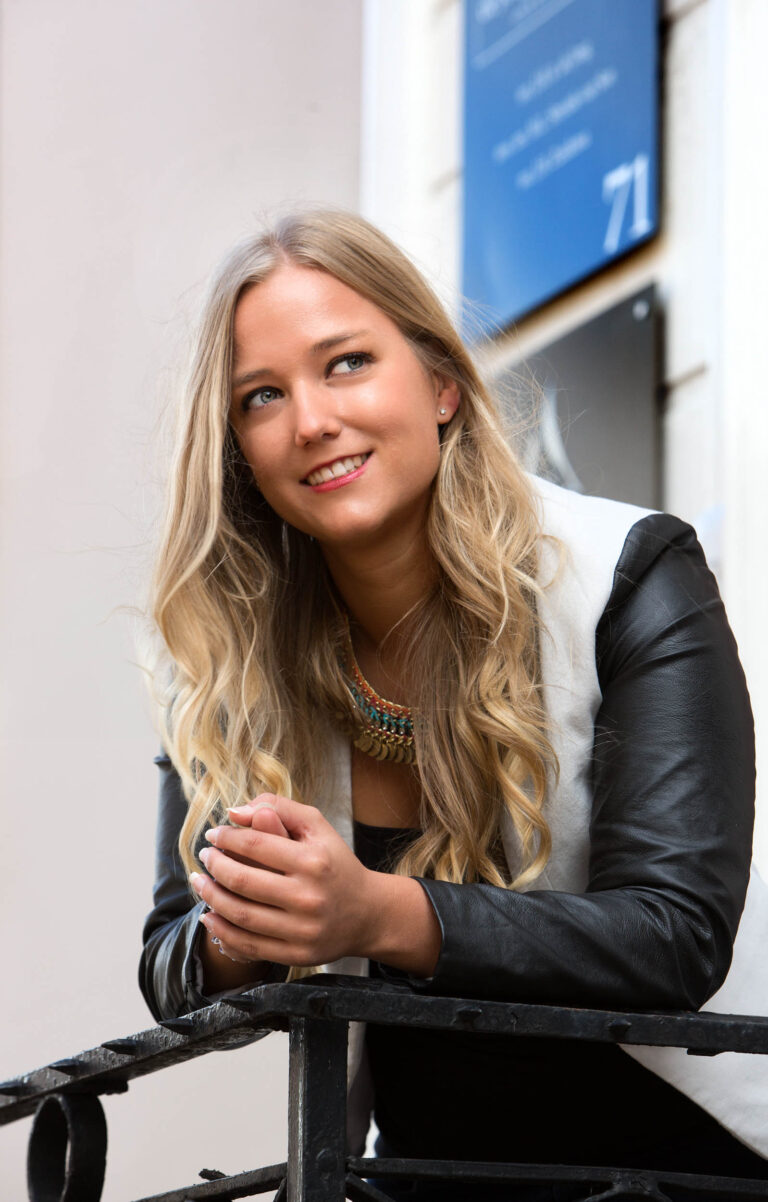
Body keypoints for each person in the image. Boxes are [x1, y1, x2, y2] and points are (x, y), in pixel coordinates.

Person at [139, 210, 764, 1200]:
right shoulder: (227, 653)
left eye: (345, 362)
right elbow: (171, 963)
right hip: (421, 1171)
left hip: (681, 1159)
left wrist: (373, 908)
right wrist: (238, 929)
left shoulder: (632, 571)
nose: (310, 418)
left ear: (440, 384)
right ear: (239, 456)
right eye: (262, 395)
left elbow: (674, 934)